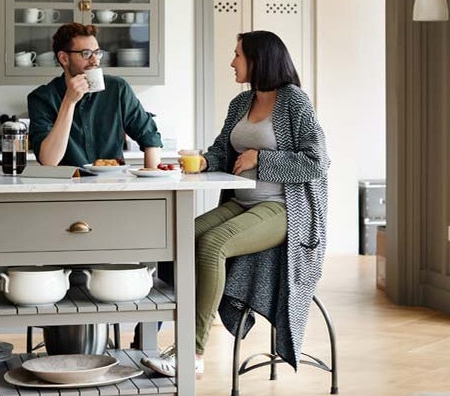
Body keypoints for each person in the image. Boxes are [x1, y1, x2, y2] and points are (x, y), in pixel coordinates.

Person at [141, 30, 329, 377]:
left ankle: (193, 354)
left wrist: (262, 158)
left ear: (259, 60)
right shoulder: (241, 103)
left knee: (212, 245)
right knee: (177, 237)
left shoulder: (294, 101)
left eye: (237, 55)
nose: (232, 62)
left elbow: (317, 161)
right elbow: (222, 151)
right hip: (242, 202)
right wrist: (202, 161)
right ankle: (173, 335)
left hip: (283, 208)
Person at [27, 23, 163, 167]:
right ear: (64, 58)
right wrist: (69, 101)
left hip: (112, 184)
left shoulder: (117, 89)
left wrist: (151, 177)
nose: (95, 60)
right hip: (67, 185)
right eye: (86, 54)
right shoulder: (41, 98)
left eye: (97, 52)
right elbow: (48, 161)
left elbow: (150, 137)